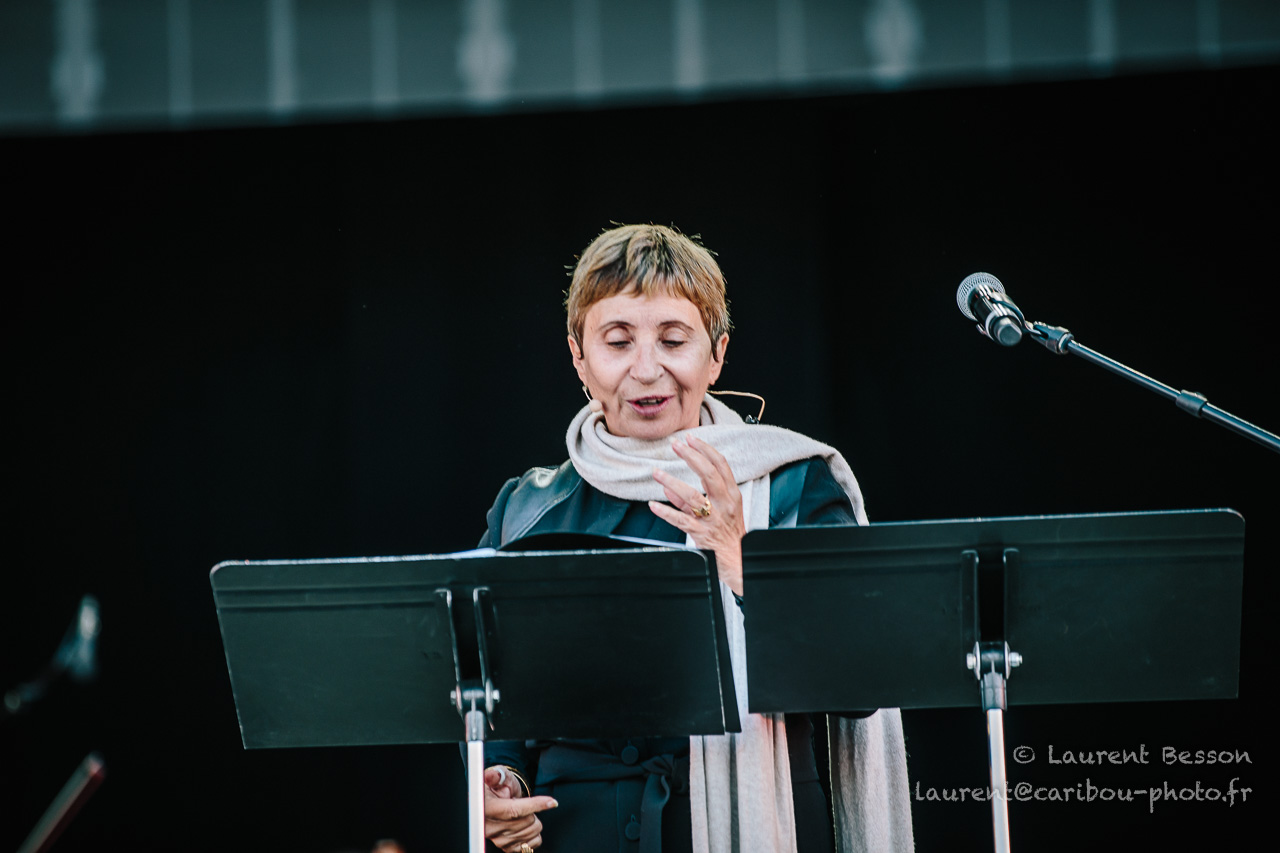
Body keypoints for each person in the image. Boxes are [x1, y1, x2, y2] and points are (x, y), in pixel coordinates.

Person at [475, 224, 912, 853]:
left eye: (674, 340)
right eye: (617, 341)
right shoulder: (526, 507)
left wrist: (740, 557)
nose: (646, 368)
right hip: (572, 832)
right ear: (578, 357)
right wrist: (501, 778)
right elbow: (490, 691)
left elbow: (858, 685)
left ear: (717, 354)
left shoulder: (793, 484)